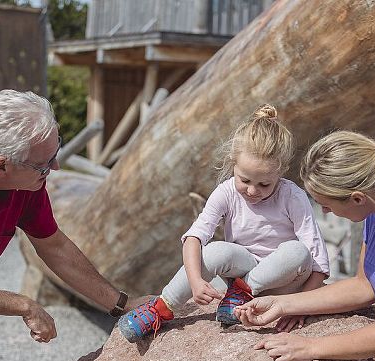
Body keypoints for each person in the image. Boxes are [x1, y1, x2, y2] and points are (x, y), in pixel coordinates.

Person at [118, 104, 329, 343]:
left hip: (284, 280)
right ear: (233, 163)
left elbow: (317, 259)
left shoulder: (293, 196)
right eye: (245, 179)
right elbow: (194, 238)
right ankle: (162, 307)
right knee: (214, 250)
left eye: (264, 184)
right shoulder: (226, 192)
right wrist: (196, 281)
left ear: (281, 171)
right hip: (242, 273)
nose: (252, 190)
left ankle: (243, 291)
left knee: (297, 251)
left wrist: (301, 306)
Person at [234, 122, 375, 361]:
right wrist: (285, 305)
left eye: (326, 205)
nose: (324, 213)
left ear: (358, 198)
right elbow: (364, 286)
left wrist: (309, 348)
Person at [0, 89, 147, 355]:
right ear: (1, 166)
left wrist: (123, 304)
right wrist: (24, 305)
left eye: (55, 152)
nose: (56, 167)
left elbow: (54, 246)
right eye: (44, 164)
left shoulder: (24, 183)